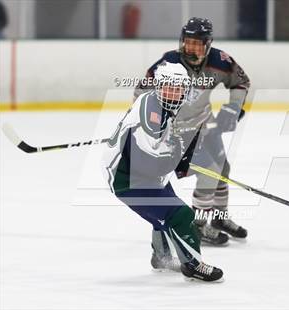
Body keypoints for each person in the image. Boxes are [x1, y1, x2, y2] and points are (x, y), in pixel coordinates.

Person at [133, 17, 250, 245]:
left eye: (197, 44)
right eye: (188, 42)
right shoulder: (170, 63)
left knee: (223, 168)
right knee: (210, 172)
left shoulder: (220, 60)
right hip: (176, 133)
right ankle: (197, 226)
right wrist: (146, 122)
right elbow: (142, 89)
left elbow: (241, 82)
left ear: (208, 44)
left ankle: (218, 218)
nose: (191, 48)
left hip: (205, 126)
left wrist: (233, 108)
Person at [103, 61, 223, 282]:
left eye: (178, 88)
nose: (173, 92)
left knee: (166, 213)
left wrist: (181, 150)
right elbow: (154, 162)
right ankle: (193, 265)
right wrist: (181, 159)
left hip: (144, 173)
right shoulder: (151, 111)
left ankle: (162, 257)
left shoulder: (164, 106)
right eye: (168, 86)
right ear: (158, 86)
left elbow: (163, 152)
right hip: (128, 180)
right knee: (181, 215)